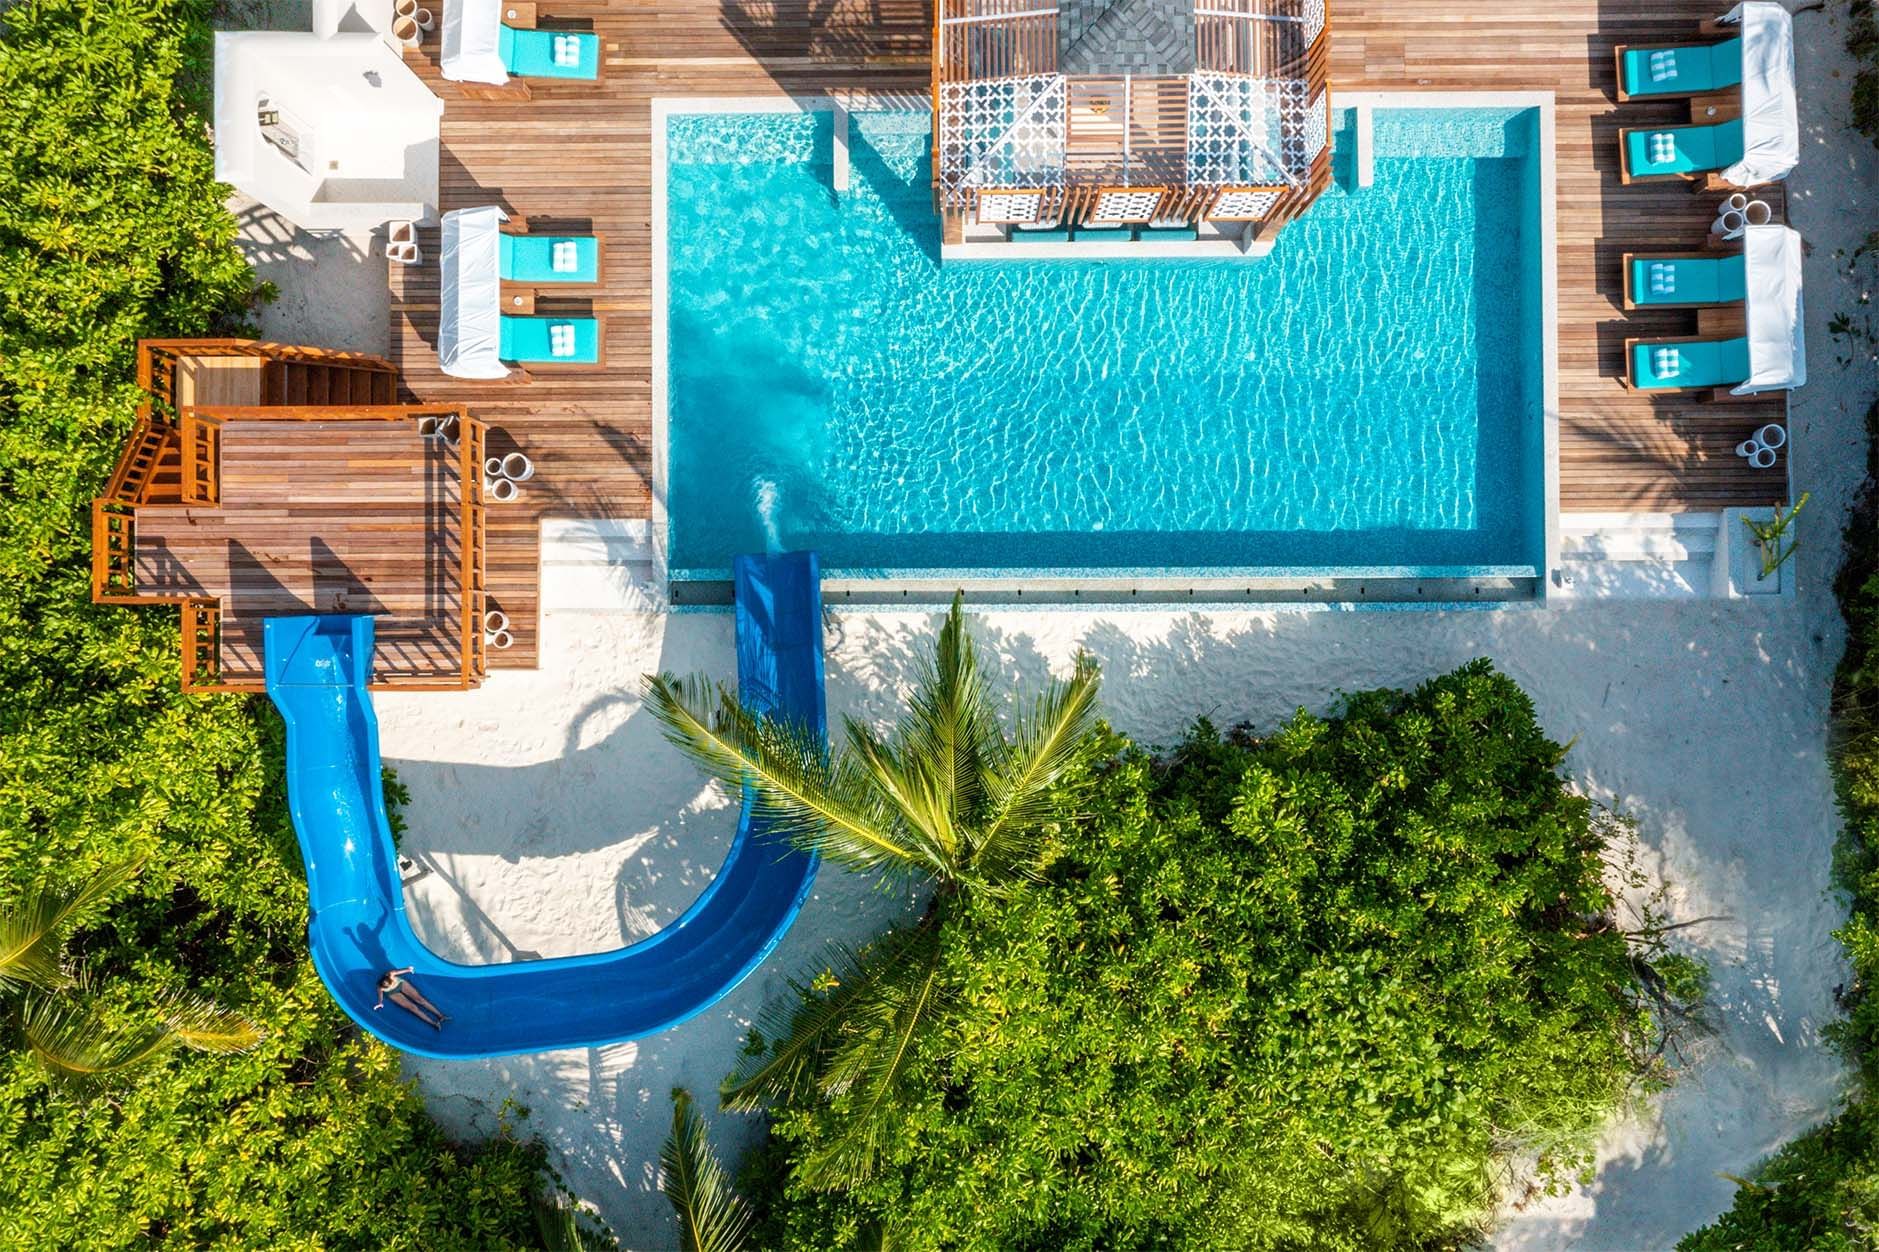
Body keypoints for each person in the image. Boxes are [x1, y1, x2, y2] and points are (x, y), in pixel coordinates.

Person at [375, 966, 447, 1029]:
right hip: (392, 993)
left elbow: (399, 971)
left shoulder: (390, 974)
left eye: (392, 983)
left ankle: (441, 1016)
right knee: (412, 1008)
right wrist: (380, 1003)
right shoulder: (380, 987)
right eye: (389, 986)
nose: (392, 985)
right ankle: (434, 1023)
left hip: (400, 984)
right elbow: (380, 995)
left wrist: (408, 969)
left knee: (420, 1000)